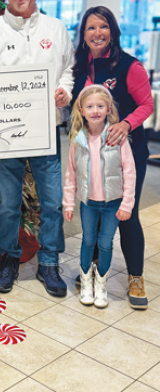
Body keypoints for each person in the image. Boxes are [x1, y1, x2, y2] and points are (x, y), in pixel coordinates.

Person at [0, 0, 75, 296]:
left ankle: (48, 262)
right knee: (8, 205)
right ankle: (10, 258)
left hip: (46, 132)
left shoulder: (56, 28)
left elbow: (68, 69)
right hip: (5, 135)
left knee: (52, 202)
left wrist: (65, 91)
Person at [72, 6, 154, 309]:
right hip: (91, 154)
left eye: (103, 27)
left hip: (126, 154)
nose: (97, 33)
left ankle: (135, 277)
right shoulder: (81, 68)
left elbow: (146, 104)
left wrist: (125, 123)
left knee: (125, 215)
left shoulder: (129, 66)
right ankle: (91, 271)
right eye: (90, 28)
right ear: (83, 35)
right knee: (94, 211)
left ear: (113, 31)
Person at [63, 85, 135, 308]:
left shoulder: (117, 137)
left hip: (113, 204)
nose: (95, 111)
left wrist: (127, 204)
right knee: (87, 241)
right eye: (90, 106)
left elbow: (129, 171)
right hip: (89, 204)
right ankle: (86, 283)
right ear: (81, 110)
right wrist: (68, 203)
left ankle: (101, 285)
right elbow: (71, 173)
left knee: (105, 243)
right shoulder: (78, 141)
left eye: (100, 106)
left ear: (108, 109)